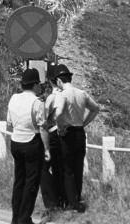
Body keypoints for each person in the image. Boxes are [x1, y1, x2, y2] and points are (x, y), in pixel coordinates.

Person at [50, 63, 100, 213]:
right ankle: (77, 199)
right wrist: (84, 122)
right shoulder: (82, 93)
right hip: (80, 133)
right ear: (69, 78)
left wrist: (60, 127)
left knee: (68, 170)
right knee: (78, 168)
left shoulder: (62, 95)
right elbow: (95, 108)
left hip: (68, 133)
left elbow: (58, 114)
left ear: (59, 81)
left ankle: (71, 204)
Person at [7, 68, 50, 224]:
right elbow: (42, 127)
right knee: (31, 183)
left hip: (16, 142)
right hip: (32, 142)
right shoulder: (37, 102)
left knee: (19, 181)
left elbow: (9, 122)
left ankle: (15, 217)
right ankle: (24, 219)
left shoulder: (13, 98)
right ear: (35, 85)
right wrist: (46, 149)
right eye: (39, 84)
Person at [40, 64, 66, 214]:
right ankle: (64, 200)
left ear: (51, 81)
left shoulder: (52, 98)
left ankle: (51, 203)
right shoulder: (70, 94)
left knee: (43, 168)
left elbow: (43, 119)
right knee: (61, 168)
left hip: (53, 134)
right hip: (67, 133)